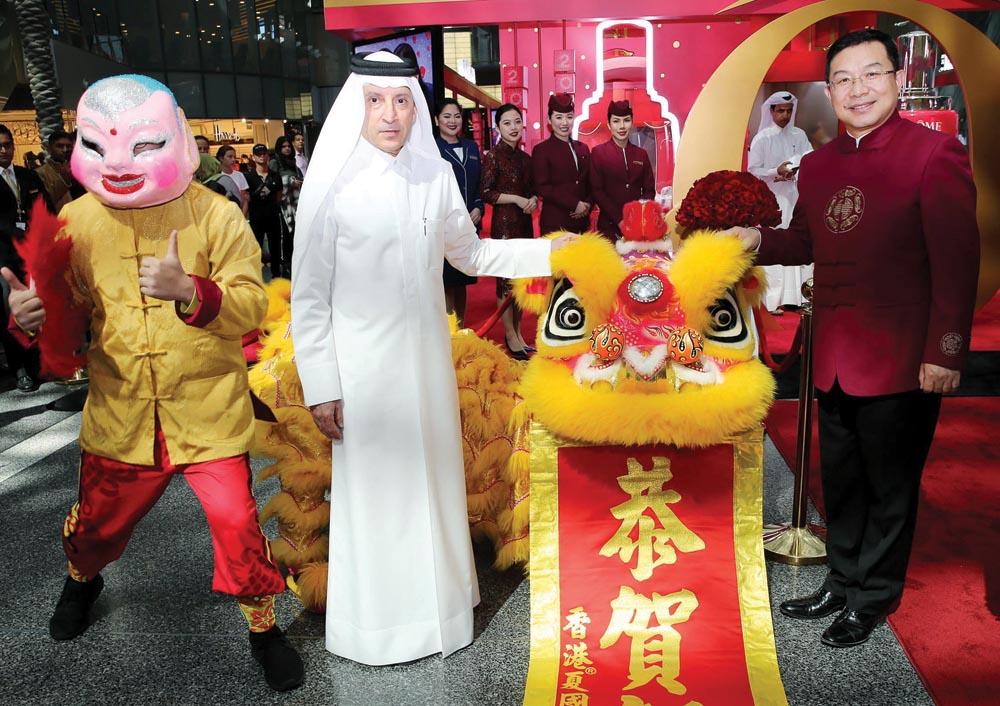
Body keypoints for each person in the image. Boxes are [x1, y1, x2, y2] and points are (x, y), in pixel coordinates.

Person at [0, 75, 303, 690]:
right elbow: (70, 312)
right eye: (100, 145)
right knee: (94, 529)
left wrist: (193, 291)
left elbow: (252, 305)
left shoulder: (216, 214)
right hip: (122, 416)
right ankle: (83, 580)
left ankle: (263, 627)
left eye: (140, 145)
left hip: (208, 410)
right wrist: (33, 319)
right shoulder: (76, 220)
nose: (119, 164)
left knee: (239, 528)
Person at [290, 51, 571, 666]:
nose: (390, 114)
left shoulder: (433, 176)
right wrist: (321, 384)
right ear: (356, 104)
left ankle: (442, 612)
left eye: (401, 101)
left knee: (434, 486)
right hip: (362, 375)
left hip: (426, 366)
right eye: (375, 100)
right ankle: (376, 628)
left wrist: (553, 253)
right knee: (379, 496)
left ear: (415, 108)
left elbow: (471, 257)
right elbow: (309, 298)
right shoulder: (330, 184)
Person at [728, 29, 979, 649]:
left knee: (889, 485)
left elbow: (957, 260)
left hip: (901, 356)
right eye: (843, 78)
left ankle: (873, 596)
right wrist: (755, 239)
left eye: (871, 74)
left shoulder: (934, 154)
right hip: (833, 353)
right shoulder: (817, 165)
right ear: (830, 90)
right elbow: (805, 243)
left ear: (897, 80)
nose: (857, 89)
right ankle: (840, 581)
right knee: (839, 478)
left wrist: (944, 353)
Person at [748, 91, 814, 314]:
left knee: (796, 242)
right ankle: (772, 300)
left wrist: (795, 170)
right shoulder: (763, 138)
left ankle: (797, 297)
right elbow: (753, 172)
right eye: (780, 111)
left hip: (795, 197)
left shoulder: (799, 135)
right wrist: (776, 171)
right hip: (772, 200)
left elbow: (810, 160)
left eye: (788, 111)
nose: (785, 115)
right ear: (771, 111)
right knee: (775, 243)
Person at [481, 103, 538, 358]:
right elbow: (487, 192)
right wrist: (515, 199)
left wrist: (534, 199)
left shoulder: (526, 159)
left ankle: (517, 332)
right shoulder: (494, 156)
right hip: (504, 225)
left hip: (524, 224)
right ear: (498, 127)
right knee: (505, 282)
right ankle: (510, 335)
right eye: (507, 123)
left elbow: (532, 189)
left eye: (517, 122)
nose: (513, 127)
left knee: (520, 282)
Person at [0, 124, 53, 392]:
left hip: (35, 256)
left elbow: (47, 208)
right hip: (5, 260)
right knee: (12, 313)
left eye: (8, 145)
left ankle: (38, 366)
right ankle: (20, 369)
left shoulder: (26, 176)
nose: (4, 150)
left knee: (38, 308)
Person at [434, 98, 482, 328]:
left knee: (463, 278)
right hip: (444, 223)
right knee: (446, 280)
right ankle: (449, 332)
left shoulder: (471, 147)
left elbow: (479, 183)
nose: (452, 121)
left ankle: (461, 328)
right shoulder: (432, 149)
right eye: (446, 116)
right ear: (436, 120)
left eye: (456, 116)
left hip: (469, 223)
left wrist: (478, 207)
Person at [589, 100, 655, 240]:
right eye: (616, 121)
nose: (622, 126)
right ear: (609, 124)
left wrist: (639, 216)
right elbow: (597, 191)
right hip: (609, 227)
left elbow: (649, 189)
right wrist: (620, 220)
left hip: (637, 227)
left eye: (626, 120)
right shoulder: (599, 153)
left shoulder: (641, 154)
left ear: (632, 122)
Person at [532, 93, 591, 237]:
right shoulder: (542, 150)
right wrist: (575, 204)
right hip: (555, 223)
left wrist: (587, 205)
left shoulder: (582, 148)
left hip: (581, 222)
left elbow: (590, 182)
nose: (565, 123)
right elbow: (542, 187)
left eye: (569, 117)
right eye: (559, 117)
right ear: (549, 120)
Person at [245, 143, 284, 279]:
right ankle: (255, 277)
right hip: (256, 217)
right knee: (256, 248)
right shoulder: (249, 177)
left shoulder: (275, 176)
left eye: (264, 153)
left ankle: (276, 275)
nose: (262, 156)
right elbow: (246, 197)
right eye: (259, 154)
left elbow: (279, 197)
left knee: (275, 247)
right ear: (254, 157)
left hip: (272, 215)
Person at [269, 135, 303, 276]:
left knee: (295, 234)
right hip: (282, 204)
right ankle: (285, 264)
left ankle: (293, 262)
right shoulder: (275, 162)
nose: (287, 148)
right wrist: (290, 181)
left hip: (295, 203)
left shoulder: (293, 163)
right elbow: (273, 181)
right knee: (285, 235)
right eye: (284, 146)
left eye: (289, 146)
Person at [35, 129, 85, 212]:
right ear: (49, 149)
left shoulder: (81, 168)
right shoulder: (39, 173)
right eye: (60, 146)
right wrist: (63, 180)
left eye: (68, 146)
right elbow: (44, 202)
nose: (65, 150)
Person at [216, 144, 250, 218]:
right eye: (230, 157)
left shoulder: (239, 175)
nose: (233, 159)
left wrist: (242, 216)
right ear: (221, 158)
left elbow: (244, 198)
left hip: (239, 212)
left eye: (234, 157)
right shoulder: (216, 176)